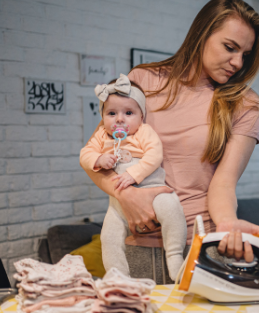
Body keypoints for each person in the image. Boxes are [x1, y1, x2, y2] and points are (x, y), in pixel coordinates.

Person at [80, 0, 259, 283]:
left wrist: (228, 223)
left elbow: (223, 183)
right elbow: (99, 154)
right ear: (202, 34)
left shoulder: (244, 104)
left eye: (245, 54)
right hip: (136, 246)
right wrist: (125, 195)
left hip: (202, 247)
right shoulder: (143, 81)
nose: (237, 62)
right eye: (230, 47)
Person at [79, 73, 186, 280]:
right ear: (102, 117)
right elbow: (84, 154)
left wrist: (132, 174)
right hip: (118, 202)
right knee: (109, 238)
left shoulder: (143, 132)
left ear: (141, 116)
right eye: (111, 113)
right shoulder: (102, 135)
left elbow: (155, 155)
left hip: (154, 192)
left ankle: (174, 255)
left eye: (128, 113)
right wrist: (99, 159)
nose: (119, 119)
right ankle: (117, 276)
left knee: (173, 209)